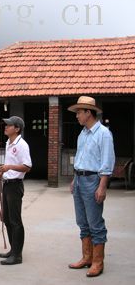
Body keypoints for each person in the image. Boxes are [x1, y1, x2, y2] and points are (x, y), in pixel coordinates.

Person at [67, 96, 115, 277]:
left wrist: (102, 187)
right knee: (82, 221)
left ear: (89, 112)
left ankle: (98, 262)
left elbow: (107, 163)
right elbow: (80, 159)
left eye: (79, 112)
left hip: (93, 181)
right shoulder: (83, 134)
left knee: (95, 223)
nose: (77, 115)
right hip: (79, 180)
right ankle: (86, 257)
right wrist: (74, 179)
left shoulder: (103, 133)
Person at [0, 116, 32, 265]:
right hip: (7, 183)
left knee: (15, 221)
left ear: (17, 129)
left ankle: (17, 255)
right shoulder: (8, 143)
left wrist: (9, 168)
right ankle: (13, 250)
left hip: (15, 186)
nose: (6, 126)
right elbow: (10, 164)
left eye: (9, 125)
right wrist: (1, 172)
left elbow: (27, 166)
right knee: (7, 219)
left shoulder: (22, 145)